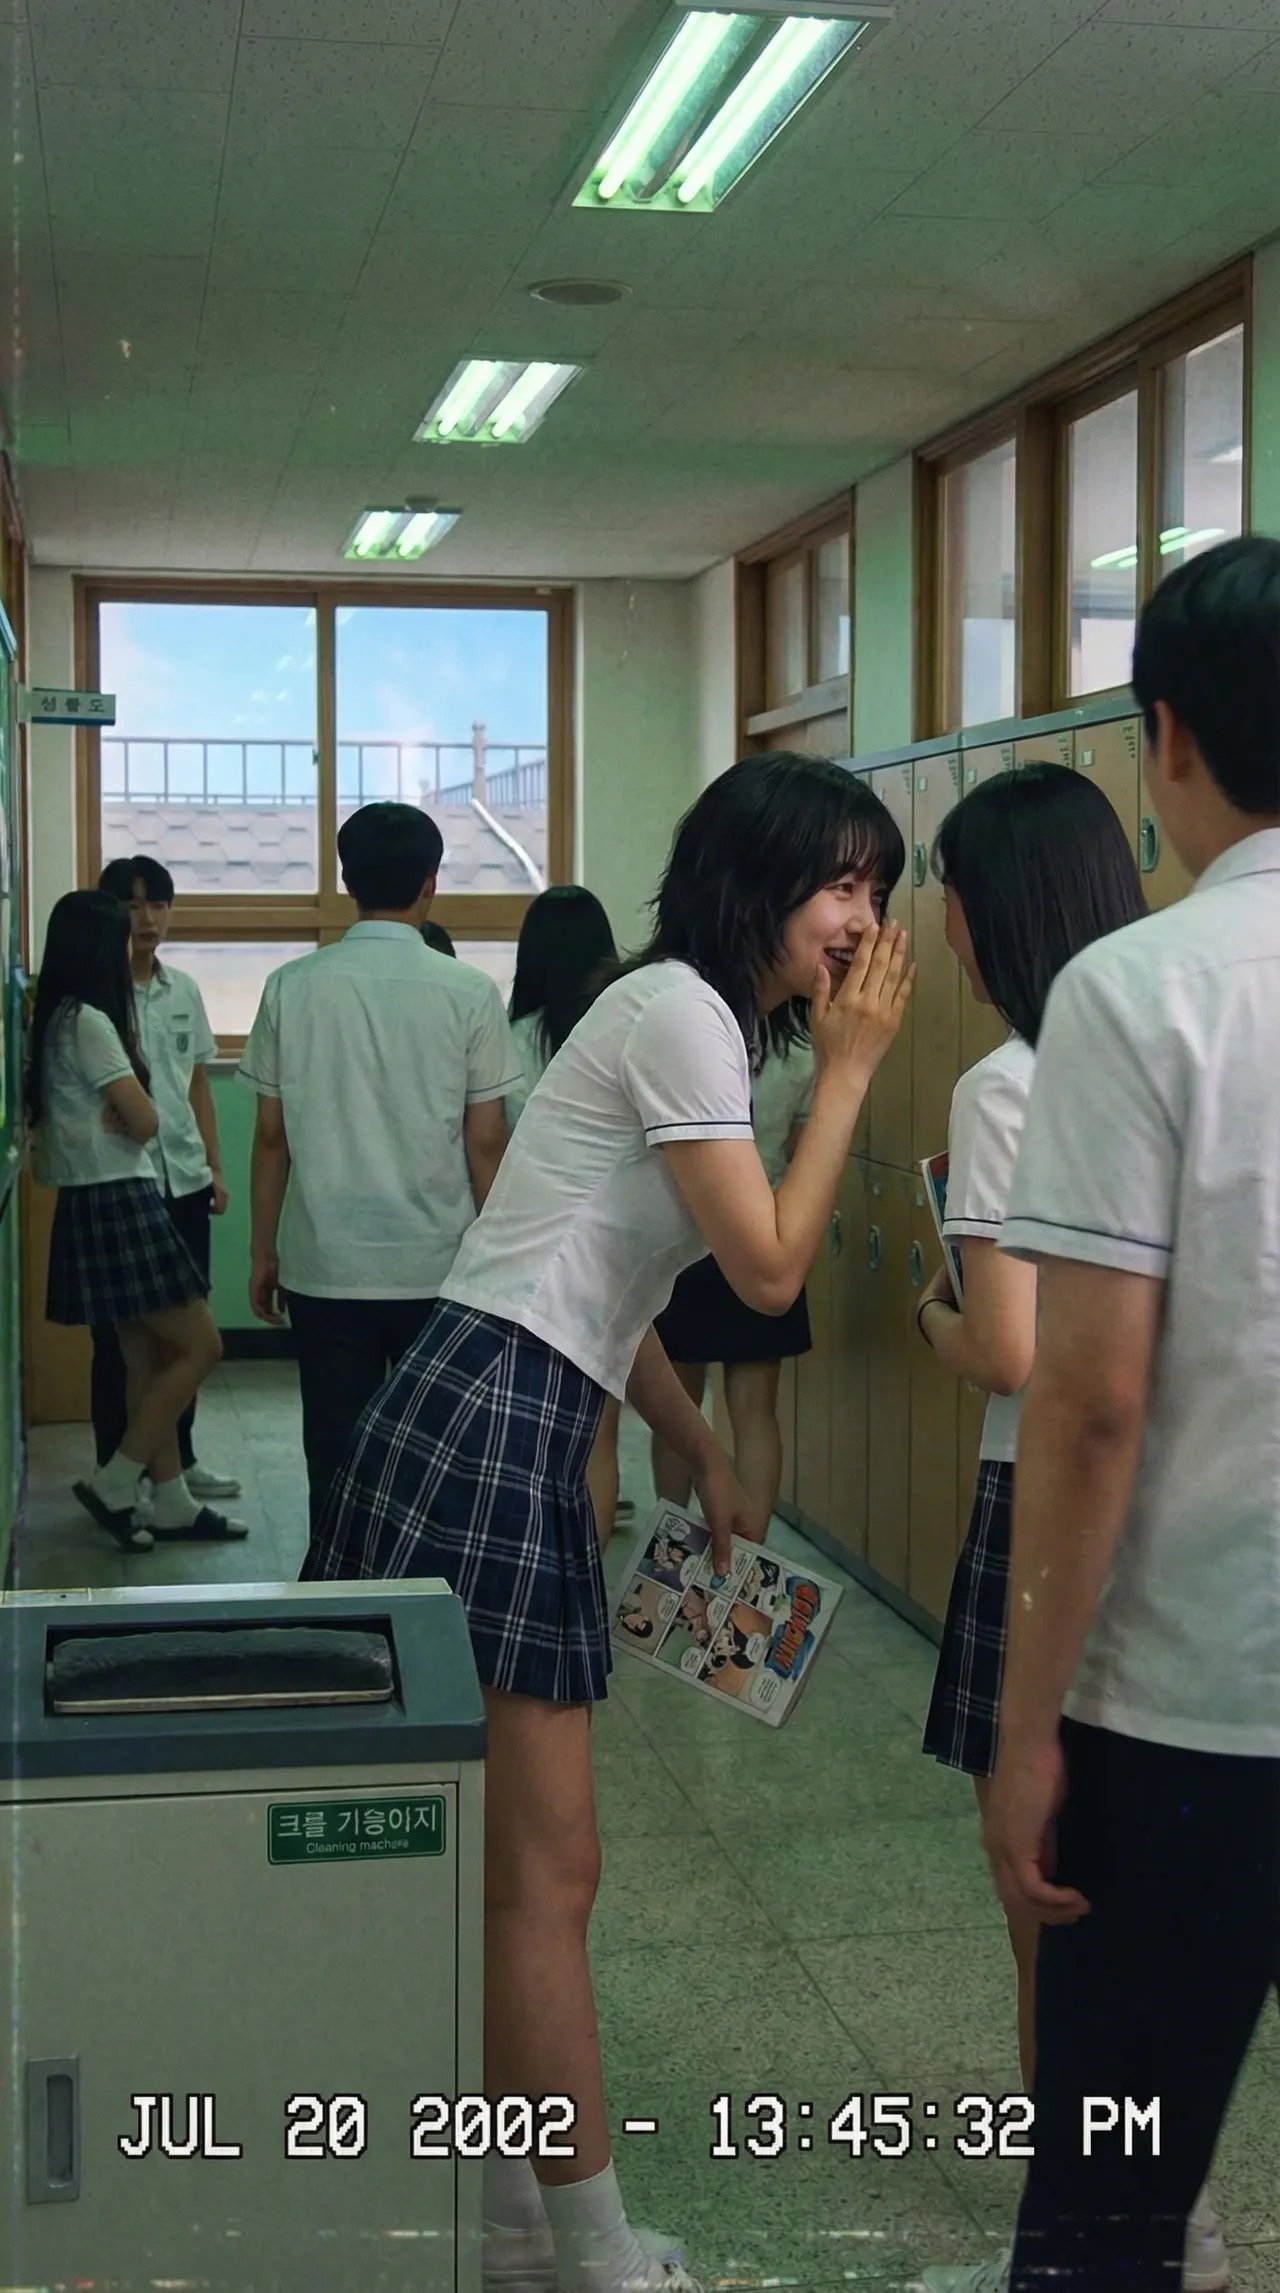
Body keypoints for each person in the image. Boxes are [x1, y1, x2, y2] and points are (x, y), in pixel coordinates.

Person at [300, 751, 914, 2293]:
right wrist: (851, 1074)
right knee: (546, 1875)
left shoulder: (675, 1015)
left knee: (523, 1869)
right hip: (497, 1417)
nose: (861, 921)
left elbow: (594, 1274)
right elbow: (767, 1269)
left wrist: (694, 1440)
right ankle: (589, 2255)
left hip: (497, 1392)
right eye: (839, 883)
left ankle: (520, 2220)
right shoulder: (681, 1013)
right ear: (755, 880)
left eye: (879, 891)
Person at [978, 534, 1280, 2293]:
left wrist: (1028, 1725)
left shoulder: (1143, 987)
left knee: (1110, 2207)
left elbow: (1090, 1399)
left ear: (1167, 734)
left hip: (1189, 1714)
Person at [911, 768, 1224, 2292]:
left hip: (1041, 1507)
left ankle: (1090, 2226)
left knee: (1045, 1902)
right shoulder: (1180, 1024)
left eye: (949, 902)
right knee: (1151, 1905)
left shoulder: (1006, 1085)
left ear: (988, 916)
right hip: (1192, 1513)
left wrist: (927, 1307)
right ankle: (1179, 2216)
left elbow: (1012, 1350)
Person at [239, 802, 517, 1534]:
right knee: (437, 1457)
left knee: (335, 1455)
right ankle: (426, 1588)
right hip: (438, 1266)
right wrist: (502, 1258)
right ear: (431, 884)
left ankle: (340, 1587)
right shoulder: (470, 993)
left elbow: (270, 1138)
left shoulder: (292, 985)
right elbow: (486, 1143)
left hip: (325, 1262)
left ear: (346, 880)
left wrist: (263, 1249)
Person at [27, 891, 242, 1551]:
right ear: (100, 948)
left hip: (96, 1198)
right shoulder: (90, 1022)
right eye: (122, 936)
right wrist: (136, 1107)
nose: (133, 945)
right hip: (119, 1197)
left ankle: (171, 1499)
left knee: (143, 1356)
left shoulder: (56, 1018)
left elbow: (133, 1113)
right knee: (201, 1345)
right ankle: (118, 1478)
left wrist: (131, 1108)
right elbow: (147, 1120)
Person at [90, 853, 240, 1509]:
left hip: (183, 1181)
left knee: (185, 1333)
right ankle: (116, 1465)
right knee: (124, 1342)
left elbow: (196, 1082)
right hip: (127, 1184)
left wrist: (215, 1165)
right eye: (132, 905)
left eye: (157, 904)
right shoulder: (97, 1000)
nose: (146, 918)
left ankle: (178, 1462)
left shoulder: (182, 990)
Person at [651, 1036, 816, 1532]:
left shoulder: (695, 1042)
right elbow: (802, 1152)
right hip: (764, 1235)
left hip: (688, 1234)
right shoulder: (799, 1052)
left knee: (677, 1405)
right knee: (756, 1412)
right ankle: (750, 1552)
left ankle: (672, 1538)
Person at [505, 885, 630, 1541]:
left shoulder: (512, 1041)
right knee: (599, 1433)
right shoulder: (620, 1034)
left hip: (525, 1256)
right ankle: (590, 1569)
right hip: (607, 1251)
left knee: (531, 1434)